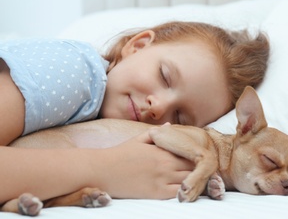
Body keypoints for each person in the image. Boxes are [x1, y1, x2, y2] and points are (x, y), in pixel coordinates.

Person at [0, 21, 270, 204]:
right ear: (137, 46)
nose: (159, 107)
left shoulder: (89, 118)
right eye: (164, 77)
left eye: (179, 118)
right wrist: (104, 168)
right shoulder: (74, 71)